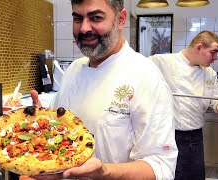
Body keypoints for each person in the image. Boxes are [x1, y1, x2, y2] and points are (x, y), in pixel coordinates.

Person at [23, 0, 178, 179]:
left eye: (95, 18)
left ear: (121, 19)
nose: (84, 29)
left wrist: (103, 171)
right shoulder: (73, 70)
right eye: (78, 18)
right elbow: (60, 133)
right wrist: (41, 126)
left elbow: (161, 167)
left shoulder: (146, 76)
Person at [149, 30, 218, 180]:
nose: (216, 58)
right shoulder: (163, 62)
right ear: (199, 48)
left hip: (195, 138)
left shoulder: (209, 74)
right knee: (168, 176)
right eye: (213, 52)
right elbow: (136, 70)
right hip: (169, 135)